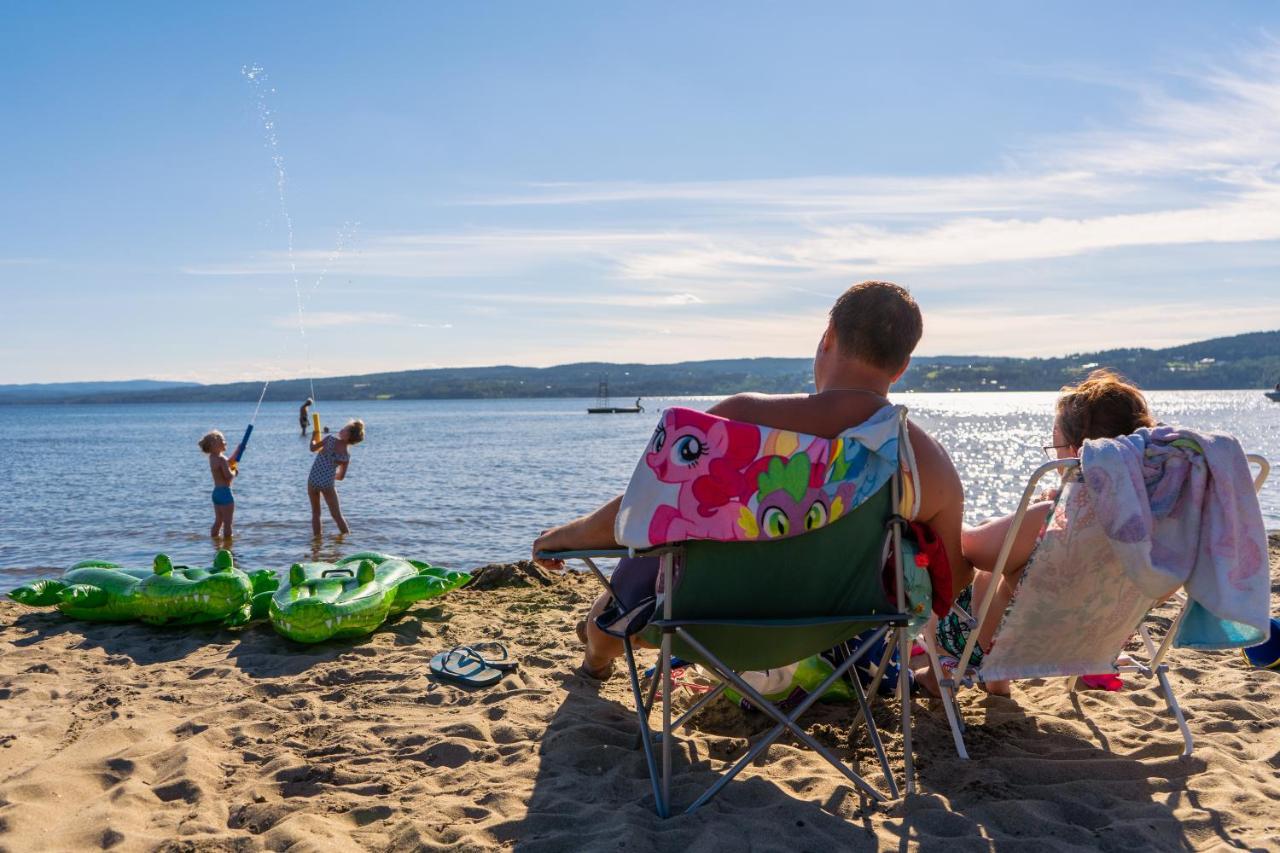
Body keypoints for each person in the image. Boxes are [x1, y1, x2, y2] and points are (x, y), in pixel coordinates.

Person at [532, 280, 967, 679]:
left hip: (703, 627)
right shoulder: (927, 462)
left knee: (644, 567)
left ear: (827, 338)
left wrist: (563, 537)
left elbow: (637, 514)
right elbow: (952, 582)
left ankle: (597, 654)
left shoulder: (738, 418)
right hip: (842, 633)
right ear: (903, 366)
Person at [924, 368, 1157, 696]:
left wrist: (941, 517)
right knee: (1019, 567)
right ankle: (989, 680)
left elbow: (969, 548)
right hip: (1093, 646)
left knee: (979, 569)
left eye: (1056, 448)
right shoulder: (1148, 522)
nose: (1057, 458)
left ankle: (937, 676)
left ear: (1079, 453)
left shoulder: (1053, 518)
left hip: (999, 645)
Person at [308, 418, 364, 535]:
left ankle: (317, 542)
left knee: (316, 513)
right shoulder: (346, 455)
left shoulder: (330, 440)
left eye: (345, 429)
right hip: (327, 484)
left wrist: (313, 437)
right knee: (337, 515)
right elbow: (341, 476)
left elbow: (313, 448)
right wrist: (330, 475)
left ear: (348, 436)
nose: (341, 429)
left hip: (313, 480)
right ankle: (346, 538)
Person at [198, 430, 237, 539]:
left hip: (216, 493)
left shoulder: (212, 458)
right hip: (225, 493)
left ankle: (214, 542)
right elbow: (228, 476)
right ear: (214, 445)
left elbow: (229, 462)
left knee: (218, 521)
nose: (225, 442)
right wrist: (234, 472)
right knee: (228, 523)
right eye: (222, 440)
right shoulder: (221, 459)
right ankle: (228, 547)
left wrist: (238, 450)